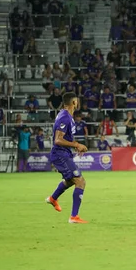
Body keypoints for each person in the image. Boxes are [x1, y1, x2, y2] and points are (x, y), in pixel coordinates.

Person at [45, 92, 89, 224]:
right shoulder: (65, 117)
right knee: (80, 181)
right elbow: (58, 140)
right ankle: (74, 217)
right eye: (77, 101)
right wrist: (76, 144)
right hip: (60, 154)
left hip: (64, 153)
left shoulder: (67, 116)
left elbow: (64, 138)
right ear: (74, 103)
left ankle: (53, 198)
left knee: (71, 181)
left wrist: (74, 146)